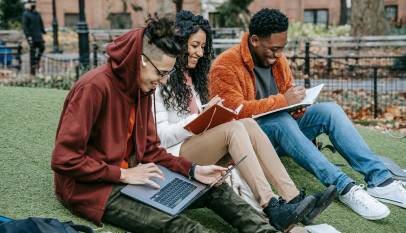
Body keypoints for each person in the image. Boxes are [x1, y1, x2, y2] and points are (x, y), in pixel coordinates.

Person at [51, 15, 280, 233]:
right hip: (94, 189)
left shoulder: (142, 87)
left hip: (138, 175)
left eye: (166, 75)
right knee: (182, 227)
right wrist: (122, 175)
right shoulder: (93, 87)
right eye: (160, 73)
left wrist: (193, 170)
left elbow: (151, 150)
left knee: (214, 187)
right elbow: (64, 159)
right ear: (141, 61)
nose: (160, 82)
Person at [209, 8, 406, 220]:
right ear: (255, 40)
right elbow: (232, 114)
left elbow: (287, 95)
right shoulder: (225, 65)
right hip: (251, 141)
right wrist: (284, 101)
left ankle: (381, 181)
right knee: (279, 120)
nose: (278, 56)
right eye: (273, 49)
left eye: (281, 49)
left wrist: (297, 104)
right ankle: (345, 188)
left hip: (284, 129)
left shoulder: (278, 59)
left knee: (330, 110)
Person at [154, 10, 336, 231]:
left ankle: (292, 198)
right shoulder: (158, 78)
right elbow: (161, 136)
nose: (200, 53)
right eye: (194, 46)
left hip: (196, 144)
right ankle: (270, 204)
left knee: (247, 124)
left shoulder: (190, 78)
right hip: (174, 155)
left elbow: (194, 118)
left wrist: (208, 113)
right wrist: (200, 118)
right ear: (178, 43)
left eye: (202, 47)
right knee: (234, 129)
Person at [22, 0, 46, 75]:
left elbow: (41, 23)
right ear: (28, 4)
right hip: (31, 37)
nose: (33, 4)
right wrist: (28, 37)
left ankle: (37, 61)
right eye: (32, 3)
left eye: (34, 2)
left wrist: (43, 31)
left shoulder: (37, 13)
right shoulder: (26, 14)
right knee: (32, 53)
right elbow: (25, 27)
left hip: (38, 36)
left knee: (42, 48)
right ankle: (32, 72)